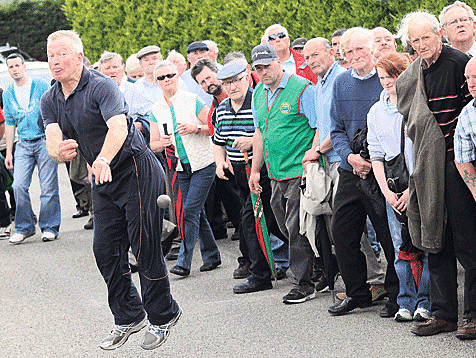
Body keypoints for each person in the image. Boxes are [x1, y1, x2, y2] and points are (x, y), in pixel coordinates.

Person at [41, 30, 181, 351]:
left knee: (144, 246)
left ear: (78, 57)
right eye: (50, 55)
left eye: (62, 54)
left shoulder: (102, 86)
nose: (55, 61)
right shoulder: (50, 98)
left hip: (135, 168)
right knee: (105, 250)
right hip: (101, 178)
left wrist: (103, 158)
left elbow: (118, 126)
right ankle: (129, 315)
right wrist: (57, 151)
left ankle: (163, 315)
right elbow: (52, 136)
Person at [396, 10, 475, 337]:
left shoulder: (460, 63)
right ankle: (443, 313)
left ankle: (471, 315)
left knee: (468, 240)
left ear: (438, 34)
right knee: (435, 239)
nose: (420, 45)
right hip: (428, 166)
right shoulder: (412, 74)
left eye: (425, 37)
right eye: (414, 40)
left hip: (459, 162)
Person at [327, 27, 399, 317]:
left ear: (372, 48)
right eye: (350, 51)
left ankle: (396, 295)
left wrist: (373, 161)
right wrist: (351, 157)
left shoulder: (385, 79)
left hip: (383, 168)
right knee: (342, 233)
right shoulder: (340, 82)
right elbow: (336, 129)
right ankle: (358, 293)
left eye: (361, 49)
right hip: (350, 168)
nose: (356, 55)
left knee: (387, 233)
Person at [249, 44, 319, 304]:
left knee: (296, 227)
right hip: (275, 173)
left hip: (300, 171)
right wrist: (256, 171)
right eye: (258, 68)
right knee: (283, 227)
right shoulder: (258, 92)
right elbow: (259, 133)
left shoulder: (302, 88)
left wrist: (312, 158)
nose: (264, 71)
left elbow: (318, 128)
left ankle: (303, 283)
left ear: (279, 61)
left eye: (267, 65)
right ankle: (322, 265)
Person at [367, 52, 431, 322]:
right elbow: (376, 155)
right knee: (399, 248)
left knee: (425, 246)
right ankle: (406, 300)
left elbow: (424, 152)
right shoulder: (376, 111)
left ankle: (426, 301)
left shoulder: (419, 104)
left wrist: (410, 191)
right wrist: (387, 193)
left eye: (392, 76)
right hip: (392, 189)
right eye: (382, 77)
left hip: (420, 186)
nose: (387, 82)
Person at [150, 60, 220, 277]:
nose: (166, 80)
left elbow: (214, 127)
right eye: (161, 77)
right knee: (195, 211)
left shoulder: (192, 100)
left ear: (177, 76)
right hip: (179, 167)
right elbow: (152, 144)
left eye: (170, 75)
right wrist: (161, 143)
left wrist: (195, 128)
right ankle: (212, 255)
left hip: (203, 164)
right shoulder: (156, 109)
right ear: (156, 82)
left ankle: (184, 262)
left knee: (188, 211)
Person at [302, 37, 346, 292]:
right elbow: (321, 126)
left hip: (341, 159)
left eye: (315, 55)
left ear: (331, 52)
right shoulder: (319, 84)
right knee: (334, 226)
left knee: (347, 225)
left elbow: (339, 126)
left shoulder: (340, 78)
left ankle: (374, 280)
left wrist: (318, 149)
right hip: (326, 160)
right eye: (307, 58)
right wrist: (312, 153)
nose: (311, 62)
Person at [3, 53, 61, 244]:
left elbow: (54, 112)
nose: (15, 69)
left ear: (24, 66)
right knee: (18, 185)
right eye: (11, 67)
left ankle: (49, 226)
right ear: (8, 69)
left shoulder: (41, 85)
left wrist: (55, 140)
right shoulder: (8, 92)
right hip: (24, 144)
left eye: (17, 65)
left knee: (48, 187)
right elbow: (10, 123)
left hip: (44, 140)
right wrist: (9, 152)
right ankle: (24, 227)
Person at [453, 56, 476, 340]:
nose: (472, 84)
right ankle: (472, 315)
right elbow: (463, 159)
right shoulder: (468, 114)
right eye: (469, 79)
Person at [180, 41, 213, 107]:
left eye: (202, 52)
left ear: (208, 55)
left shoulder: (216, 73)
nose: (199, 56)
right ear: (188, 58)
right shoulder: (183, 79)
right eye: (195, 53)